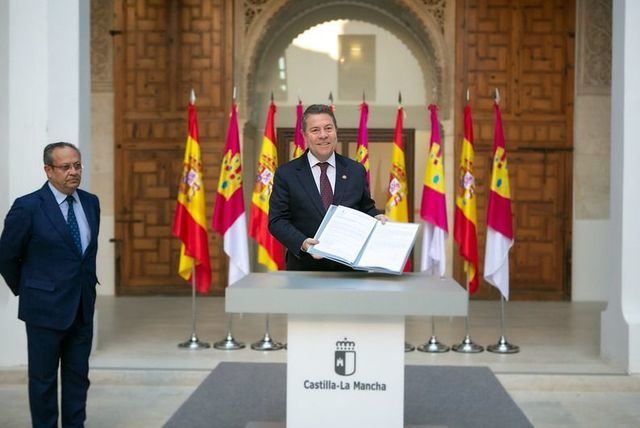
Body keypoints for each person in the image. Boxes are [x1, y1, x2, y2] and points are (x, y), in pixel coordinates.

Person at [0, 142, 100, 428]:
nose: (73, 172)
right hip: (43, 310)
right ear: (48, 170)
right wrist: (31, 289)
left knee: (78, 377)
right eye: (65, 167)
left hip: (81, 307)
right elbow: (6, 257)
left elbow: (84, 257)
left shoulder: (91, 202)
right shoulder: (28, 206)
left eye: (77, 165)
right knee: (43, 382)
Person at [269, 104, 386, 271]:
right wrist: (302, 243)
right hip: (305, 269)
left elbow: (366, 208)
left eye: (328, 128)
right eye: (315, 130)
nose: (323, 135)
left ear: (336, 131)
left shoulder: (355, 170)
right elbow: (277, 221)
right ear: (304, 135)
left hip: (349, 269)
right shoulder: (286, 174)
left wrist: (376, 217)